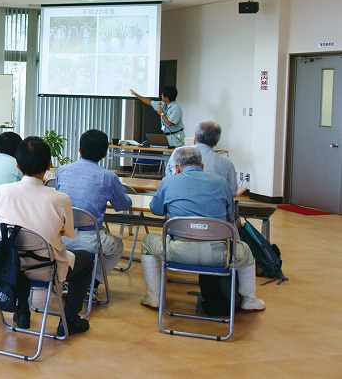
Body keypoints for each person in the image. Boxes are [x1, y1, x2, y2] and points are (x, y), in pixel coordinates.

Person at [139, 147, 265, 312]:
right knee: (246, 251)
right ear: (202, 166)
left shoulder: (168, 181)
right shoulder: (222, 183)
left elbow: (156, 210)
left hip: (178, 252)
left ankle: (154, 298)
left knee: (148, 242)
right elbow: (229, 217)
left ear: (177, 168)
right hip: (219, 254)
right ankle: (249, 300)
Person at [0, 136, 95, 336]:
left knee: (21, 251)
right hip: (46, 269)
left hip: (9, 265)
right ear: (49, 164)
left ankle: (23, 313)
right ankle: (69, 320)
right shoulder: (60, 199)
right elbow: (69, 234)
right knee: (87, 261)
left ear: (17, 164)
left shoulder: (1, 192)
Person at [56, 129, 132, 286]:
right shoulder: (108, 177)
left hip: (60, 236)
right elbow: (123, 205)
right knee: (117, 247)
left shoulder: (62, 171)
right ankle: (92, 284)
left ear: (79, 150)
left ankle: (66, 280)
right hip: (89, 239)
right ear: (105, 154)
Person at [166, 120, 238, 196]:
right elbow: (232, 191)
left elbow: (168, 176)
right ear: (217, 141)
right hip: (212, 206)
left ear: (195, 137)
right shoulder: (227, 163)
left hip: (178, 202)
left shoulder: (177, 152)